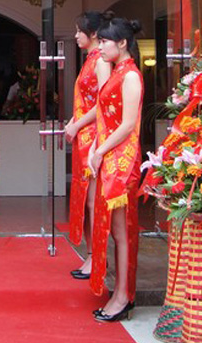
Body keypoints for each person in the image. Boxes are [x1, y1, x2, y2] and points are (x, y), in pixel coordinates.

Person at [88, 17, 143, 322]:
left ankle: (123, 296)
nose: (101, 47)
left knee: (122, 233)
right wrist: (97, 149)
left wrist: (99, 150)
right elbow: (106, 119)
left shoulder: (130, 75)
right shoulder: (117, 72)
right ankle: (120, 292)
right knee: (116, 232)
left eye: (105, 42)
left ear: (122, 43)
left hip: (122, 161)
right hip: (110, 157)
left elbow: (127, 125)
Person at [64, 11, 111, 279]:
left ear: (92, 34)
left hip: (93, 137)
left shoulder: (101, 62)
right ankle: (92, 255)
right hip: (84, 134)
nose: (75, 35)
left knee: (93, 201)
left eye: (78, 31)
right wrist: (74, 122)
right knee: (86, 201)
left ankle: (96, 257)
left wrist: (77, 124)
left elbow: (102, 104)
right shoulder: (90, 61)